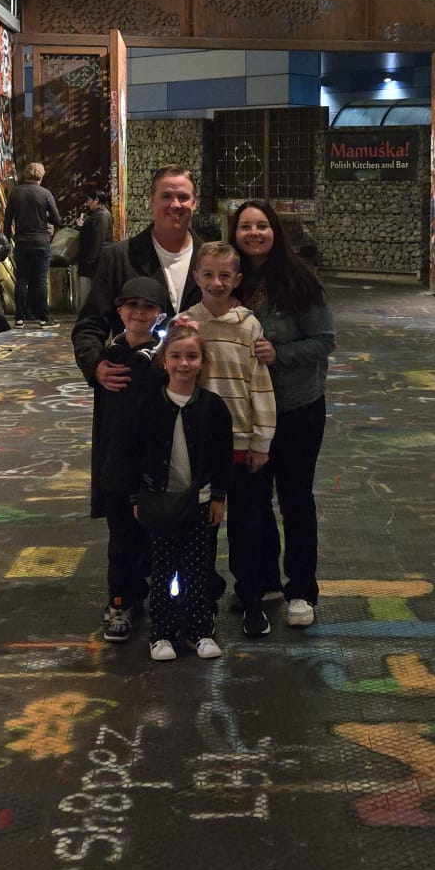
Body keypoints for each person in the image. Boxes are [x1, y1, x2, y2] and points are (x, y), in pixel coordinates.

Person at [229, 199, 336, 630]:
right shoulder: (228, 278)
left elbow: (324, 340)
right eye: (245, 226)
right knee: (252, 500)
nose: (254, 233)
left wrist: (280, 354)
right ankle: (265, 581)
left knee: (295, 499)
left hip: (297, 407)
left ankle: (302, 590)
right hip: (245, 412)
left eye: (262, 226)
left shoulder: (300, 280)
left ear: (276, 231)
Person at [175, 244, 276, 636]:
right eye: (208, 274)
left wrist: (260, 442)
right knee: (201, 530)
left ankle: (251, 598)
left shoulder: (248, 326)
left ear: (237, 280)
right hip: (200, 448)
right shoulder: (187, 324)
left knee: (248, 526)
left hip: (241, 446)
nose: (216, 282)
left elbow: (260, 387)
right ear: (196, 277)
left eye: (224, 276)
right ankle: (203, 598)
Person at [130, 326, 232, 663]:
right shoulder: (148, 405)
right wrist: (136, 498)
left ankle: (199, 631)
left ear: (202, 362)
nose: (183, 363)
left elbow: (222, 456)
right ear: (164, 361)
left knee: (197, 570)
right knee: (162, 570)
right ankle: (161, 633)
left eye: (191, 356)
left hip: (199, 504)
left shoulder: (213, 407)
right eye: (175, 356)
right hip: (159, 504)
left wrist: (218, 497)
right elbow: (135, 454)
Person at [72, 167, 203, 400]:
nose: (175, 204)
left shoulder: (210, 260)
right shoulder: (119, 258)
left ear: (195, 202)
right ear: (152, 200)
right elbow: (89, 324)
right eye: (166, 196)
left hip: (197, 392)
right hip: (135, 391)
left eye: (183, 197)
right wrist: (96, 365)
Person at [89, 275, 166, 644]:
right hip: (117, 466)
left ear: (160, 314)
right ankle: (120, 601)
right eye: (132, 305)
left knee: (153, 540)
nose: (139, 313)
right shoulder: (108, 358)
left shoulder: (161, 362)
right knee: (120, 540)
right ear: (119, 310)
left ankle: (157, 599)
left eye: (148, 307)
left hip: (150, 468)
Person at [3, 161, 61, 327]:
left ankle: (19, 318)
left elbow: (8, 219)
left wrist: (7, 239)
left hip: (22, 242)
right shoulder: (45, 194)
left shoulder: (15, 193)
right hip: (41, 242)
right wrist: (44, 217)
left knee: (22, 279)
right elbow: (57, 219)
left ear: (25, 175)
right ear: (41, 176)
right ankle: (43, 318)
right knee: (40, 280)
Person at [76, 184, 113, 288]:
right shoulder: (98, 214)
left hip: (95, 263)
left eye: (89, 200)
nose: (88, 204)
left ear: (96, 200)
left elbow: (98, 239)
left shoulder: (101, 216)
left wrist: (90, 260)